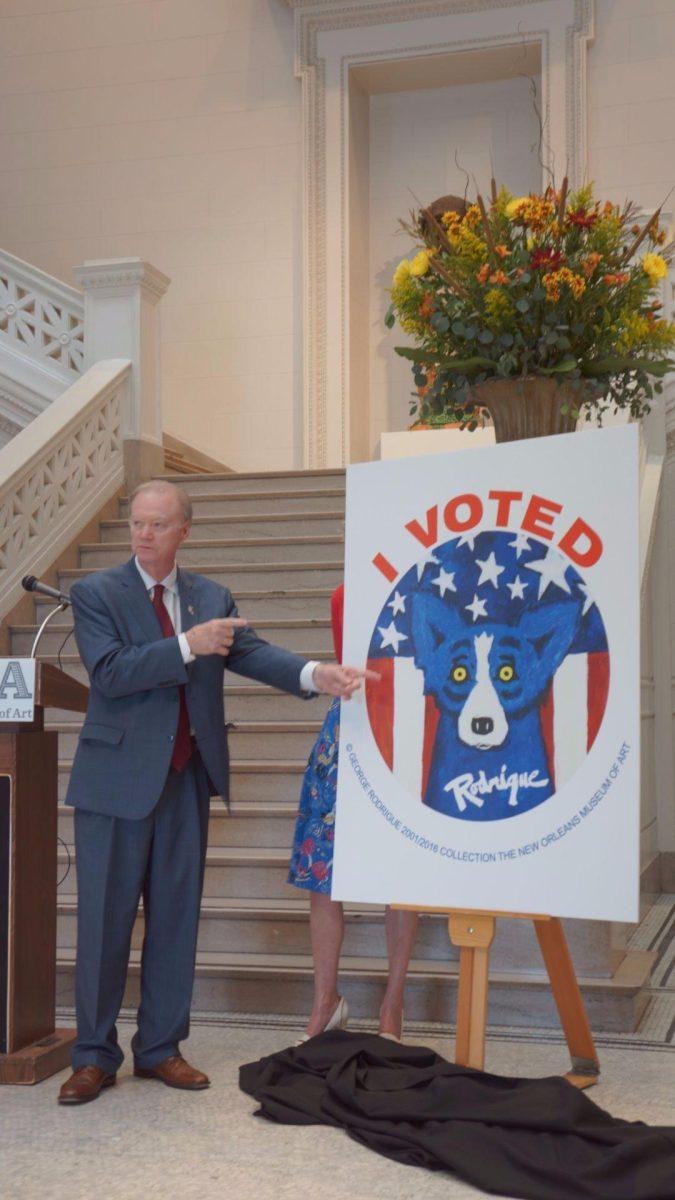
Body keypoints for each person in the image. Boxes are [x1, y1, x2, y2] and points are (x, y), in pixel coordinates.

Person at [58, 480, 375, 1105]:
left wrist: (320, 675)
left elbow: (253, 653)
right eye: (137, 525)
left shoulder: (209, 595)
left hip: (185, 779)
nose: (143, 534)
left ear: (184, 531)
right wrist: (186, 644)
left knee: (176, 921)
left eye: (157, 524)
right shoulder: (96, 593)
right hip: (115, 786)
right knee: (103, 924)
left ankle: (160, 1049)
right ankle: (93, 1056)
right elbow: (112, 672)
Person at [288, 584, 418, 1041]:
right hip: (351, 727)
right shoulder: (346, 594)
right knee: (322, 869)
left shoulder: (433, 584)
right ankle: (326, 1001)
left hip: (412, 725)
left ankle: (393, 1005)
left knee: (401, 873)